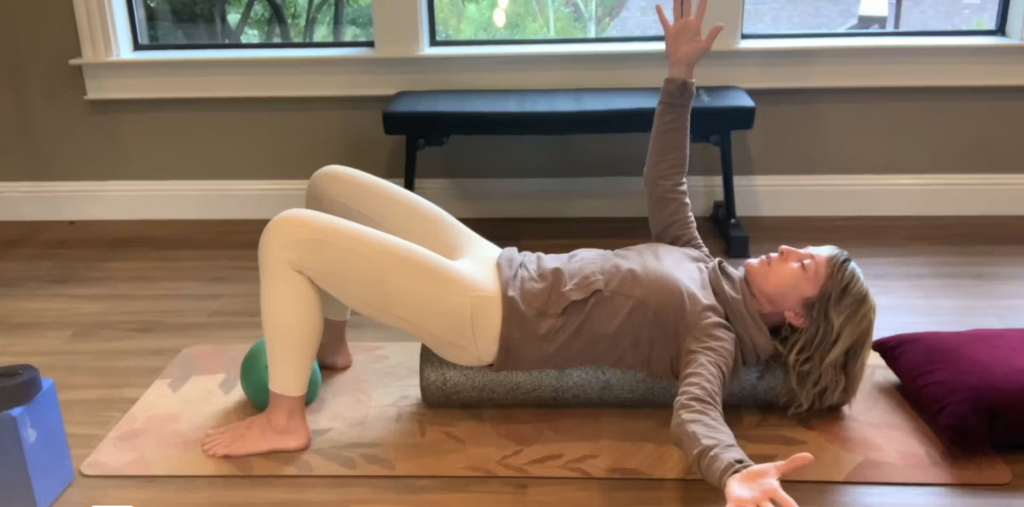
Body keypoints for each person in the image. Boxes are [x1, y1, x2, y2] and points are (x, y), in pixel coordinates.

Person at [201, 1, 876, 506]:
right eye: (801, 249)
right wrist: (678, 79)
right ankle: (332, 348)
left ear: (797, 318)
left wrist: (732, 470)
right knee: (329, 185)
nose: (787, 248)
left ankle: (285, 419)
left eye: (803, 265)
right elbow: (663, 182)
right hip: (499, 264)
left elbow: (696, 412)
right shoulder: (705, 267)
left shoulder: (715, 333)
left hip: (487, 320)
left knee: (287, 232)